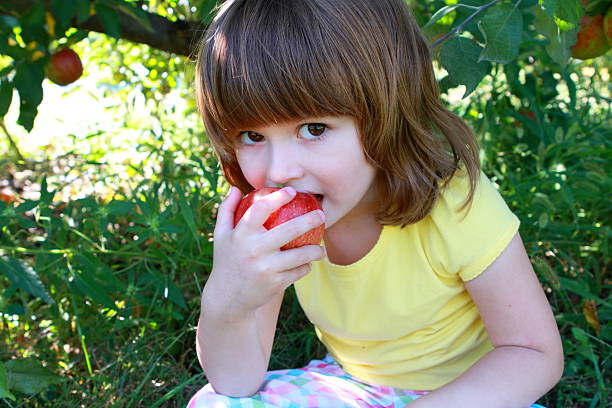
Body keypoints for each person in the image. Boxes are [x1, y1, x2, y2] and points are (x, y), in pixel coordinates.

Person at [187, 0, 564, 406]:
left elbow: (534, 354)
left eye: (314, 129)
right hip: (353, 389)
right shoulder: (273, 227)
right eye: (252, 136)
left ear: (387, 113)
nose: (280, 171)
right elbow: (235, 382)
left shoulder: (453, 204)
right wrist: (227, 301)